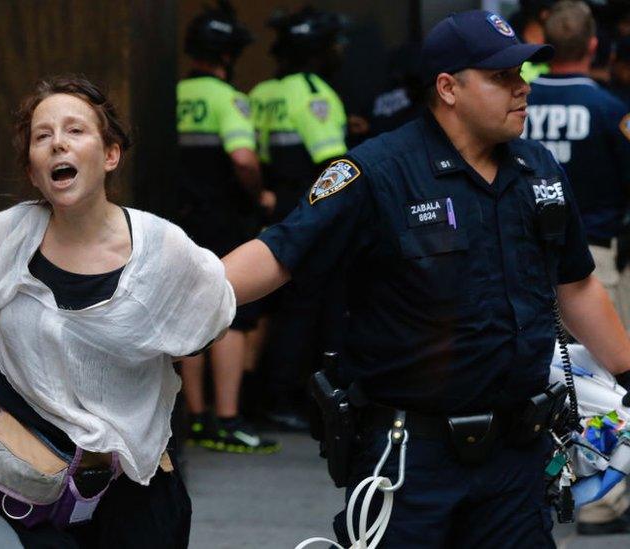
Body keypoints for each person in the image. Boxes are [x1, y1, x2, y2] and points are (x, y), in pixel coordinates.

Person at [223, 10, 630, 547]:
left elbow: (575, 283)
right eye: (502, 76)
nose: (521, 88)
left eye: (521, 74)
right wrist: (182, 295)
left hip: (517, 458)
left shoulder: (539, 170)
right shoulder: (378, 171)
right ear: (448, 88)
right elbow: (280, 252)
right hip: (411, 457)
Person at [0, 76, 235, 548]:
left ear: (110, 155)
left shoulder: (163, 250)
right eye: (43, 137)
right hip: (25, 488)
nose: (58, 142)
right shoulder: (6, 239)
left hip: (133, 489)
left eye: (75, 130)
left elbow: (209, 318)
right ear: (33, 171)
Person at [525, 0, 630, 534]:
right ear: (593, 45)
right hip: (595, 263)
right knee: (604, 383)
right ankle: (598, 501)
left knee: (541, 377)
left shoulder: (516, 102)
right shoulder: (614, 109)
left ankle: (539, 487)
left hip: (525, 259)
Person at [175, 0, 279, 454]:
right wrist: (258, 196)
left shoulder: (173, 94)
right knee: (231, 312)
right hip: (224, 217)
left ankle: (195, 417)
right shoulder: (228, 99)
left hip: (180, 215)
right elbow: (242, 157)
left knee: (185, 309)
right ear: (228, 55)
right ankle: (230, 418)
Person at [249, 6, 348, 432]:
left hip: (276, 203)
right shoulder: (314, 93)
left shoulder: (261, 92)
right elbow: (333, 165)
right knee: (310, 309)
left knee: (281, 305)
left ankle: (270, 395)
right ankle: (298, 400)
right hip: (313, 208)